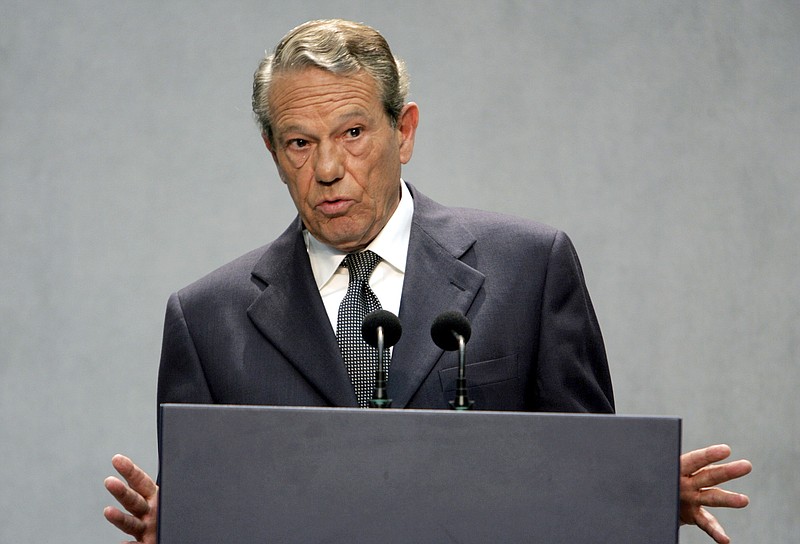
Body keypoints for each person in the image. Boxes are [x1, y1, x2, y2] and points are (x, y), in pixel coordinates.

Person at [104, 19, 751, 543]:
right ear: (274, 154)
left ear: (403, 130)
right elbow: (204, 512)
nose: (328, 167)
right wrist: (182, 527)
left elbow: (579, 470)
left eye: (353, 133)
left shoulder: (527, 268)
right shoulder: (207, 319)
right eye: (299, 143)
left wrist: (631, 492)